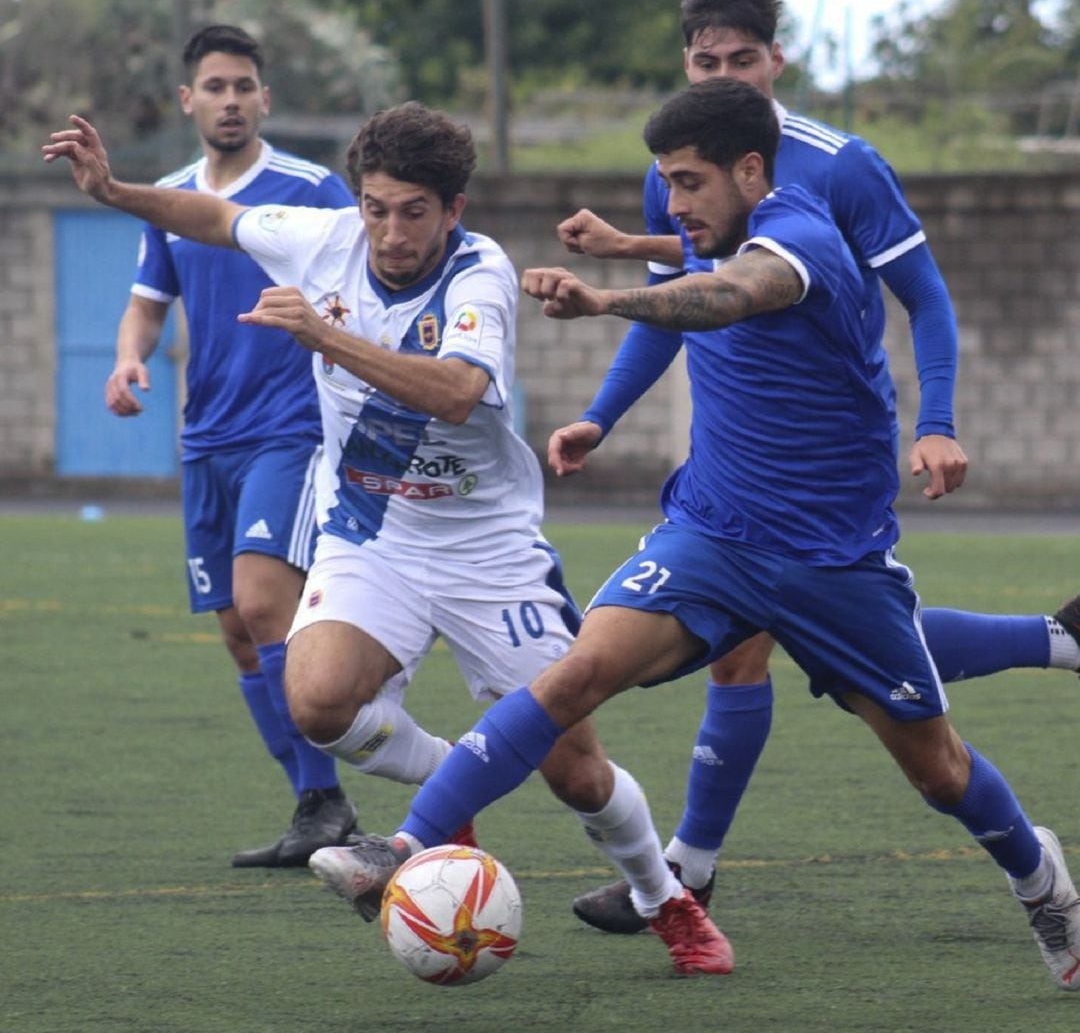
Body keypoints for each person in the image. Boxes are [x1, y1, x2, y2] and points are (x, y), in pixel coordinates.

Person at [289, 77, 1080, 992]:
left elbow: (730, 297)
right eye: (664, 180)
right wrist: (606, 390)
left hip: (832, 563)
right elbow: (690, 270)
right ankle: (407, 846)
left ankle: (1038, 877)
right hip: (709, 533)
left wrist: (605, 296)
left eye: (691, 182)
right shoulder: (711, 228)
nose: (674, 201)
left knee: (939, 772)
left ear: (751, 170)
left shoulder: (801, 239)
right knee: (575, 676)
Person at [44, 102, 733, 976]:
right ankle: (458, 783)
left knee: (576, 771)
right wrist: (113, 190)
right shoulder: (323, 236)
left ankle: (664, 901)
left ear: (454, 209)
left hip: (488, 551)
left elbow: (450, 392)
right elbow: (214, 216)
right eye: (376, 208)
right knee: (318, 702)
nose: (391, 231)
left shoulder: (479, 275)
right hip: (374, 535)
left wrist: (323, 333)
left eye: (414, 211)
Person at [551, 0, 1080, 934]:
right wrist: (603, 414)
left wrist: (938, 421)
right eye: (707, 60)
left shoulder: (838, 166)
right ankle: (690, 871)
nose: (727, 75)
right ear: (685, 62)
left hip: (827, 460)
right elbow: (682, 308)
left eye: (742, 59)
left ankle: (690, 869)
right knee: (754, 652)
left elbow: (926, 297)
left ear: (776, 58)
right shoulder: (679, 156)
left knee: (855, 673)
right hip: (736, 473)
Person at [101, 24, 358, 868]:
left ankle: (330, 795)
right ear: (189, 101)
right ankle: (315, 805)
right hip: (204, 437)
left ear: (265, 99)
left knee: (261, 602)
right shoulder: (170, 198)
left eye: (244, 85)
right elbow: (148, 301)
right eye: (214, 86)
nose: (231, 100)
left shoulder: (311, 188)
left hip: (287, 431)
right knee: (238, 635)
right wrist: (129, 356)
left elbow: (361, 286)